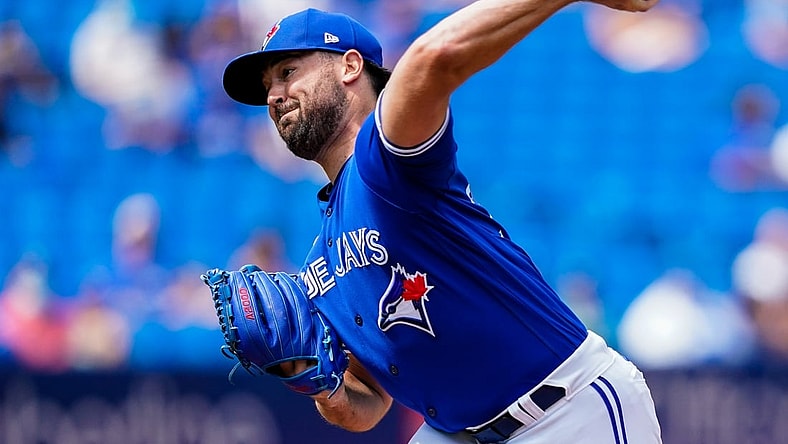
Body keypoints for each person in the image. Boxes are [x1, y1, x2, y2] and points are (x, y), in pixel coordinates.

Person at [220, 0, 663, 442]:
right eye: (267, 86)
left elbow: (436, 58)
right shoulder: (323, 258)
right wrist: (314, 380)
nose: (274, 95)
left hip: (565, 411)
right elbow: (369, 404)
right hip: (458, 432)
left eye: (288, 72)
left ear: (350, 66)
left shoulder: (386, 160)